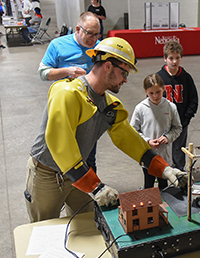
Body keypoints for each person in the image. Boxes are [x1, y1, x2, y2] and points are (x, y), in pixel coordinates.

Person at [25, 37, 187, 223]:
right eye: (124, 73)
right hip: (46, 175)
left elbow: (129, 140)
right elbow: (61, 145)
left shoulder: (109, 106)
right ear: (108, 66)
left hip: (78, 173)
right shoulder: (67, 94)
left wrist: (165, 169)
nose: (126, 80)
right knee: (43, 231)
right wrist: (95, 187)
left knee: (87, 225)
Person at [38, 12, 101, 173]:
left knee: (89, 156)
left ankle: (89, 193)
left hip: (89, 110)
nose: (94, 39)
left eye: (97, 35)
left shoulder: (99, 47)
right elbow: (43, 73)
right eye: (90, 34)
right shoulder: (58, 45)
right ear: (78, 29)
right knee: (64, 154)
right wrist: (67, 71)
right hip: (64, 110)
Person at [130, 74, 182, 190]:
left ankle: (164, 206)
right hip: (147, 155)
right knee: (148, 185)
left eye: (158, 92)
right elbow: (132, 130)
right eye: (151, 93)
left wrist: (168, 137)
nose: (155, 96)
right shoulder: (140, 108)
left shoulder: (171, 107)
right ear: (145, 91)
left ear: (163, 89)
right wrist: (147, 141)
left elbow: (177, 128)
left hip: (164, 156)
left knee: (164, 186)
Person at [156, 40, 198, 171]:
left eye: (177, 58)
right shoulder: (158, 78)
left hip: (181, 122)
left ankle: (179, 174)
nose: (174, 61)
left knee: (179, 149)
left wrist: (186, 119)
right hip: (163, 123)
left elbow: (193, 100)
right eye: (171, 58)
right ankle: (163, 173)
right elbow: (152, 100)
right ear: (165, 58)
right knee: (162, 149)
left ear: (181, 58)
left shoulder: (186, 78)